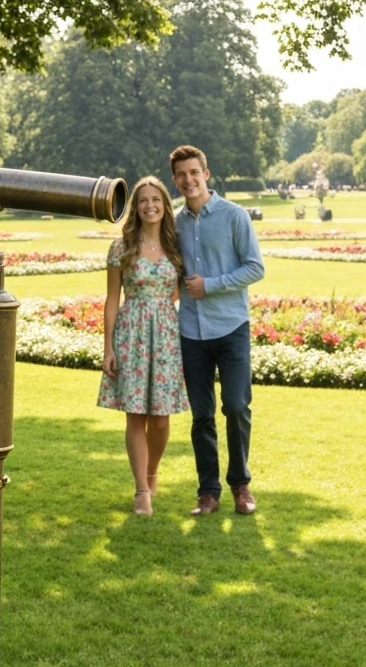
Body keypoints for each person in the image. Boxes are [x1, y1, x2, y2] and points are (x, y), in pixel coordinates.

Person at [170, 144, 264, 517]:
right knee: (201, 414)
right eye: (181, 175)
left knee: (237, 406)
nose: (188, 180)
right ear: (174, 181)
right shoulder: (173, 224)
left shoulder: (234, 216)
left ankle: (241, 485)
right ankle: (208, 492)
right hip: (191, 331)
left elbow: (255, 268)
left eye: (194, 172)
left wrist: (210, 285)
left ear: (206, 174)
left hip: (231, 327)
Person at [98, 176, 190, 516]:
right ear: (135, 207)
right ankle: (141, 490)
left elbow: (179, 292)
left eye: (157, 199)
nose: (150, 205)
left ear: (166, 205)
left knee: (162, 419)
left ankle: (153, 473)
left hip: (165, 335)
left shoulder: (177, 246)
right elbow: (111, 300)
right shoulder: (121, 247)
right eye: (143, 200)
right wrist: (108, 347)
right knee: (135, 415)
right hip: (131, 334)